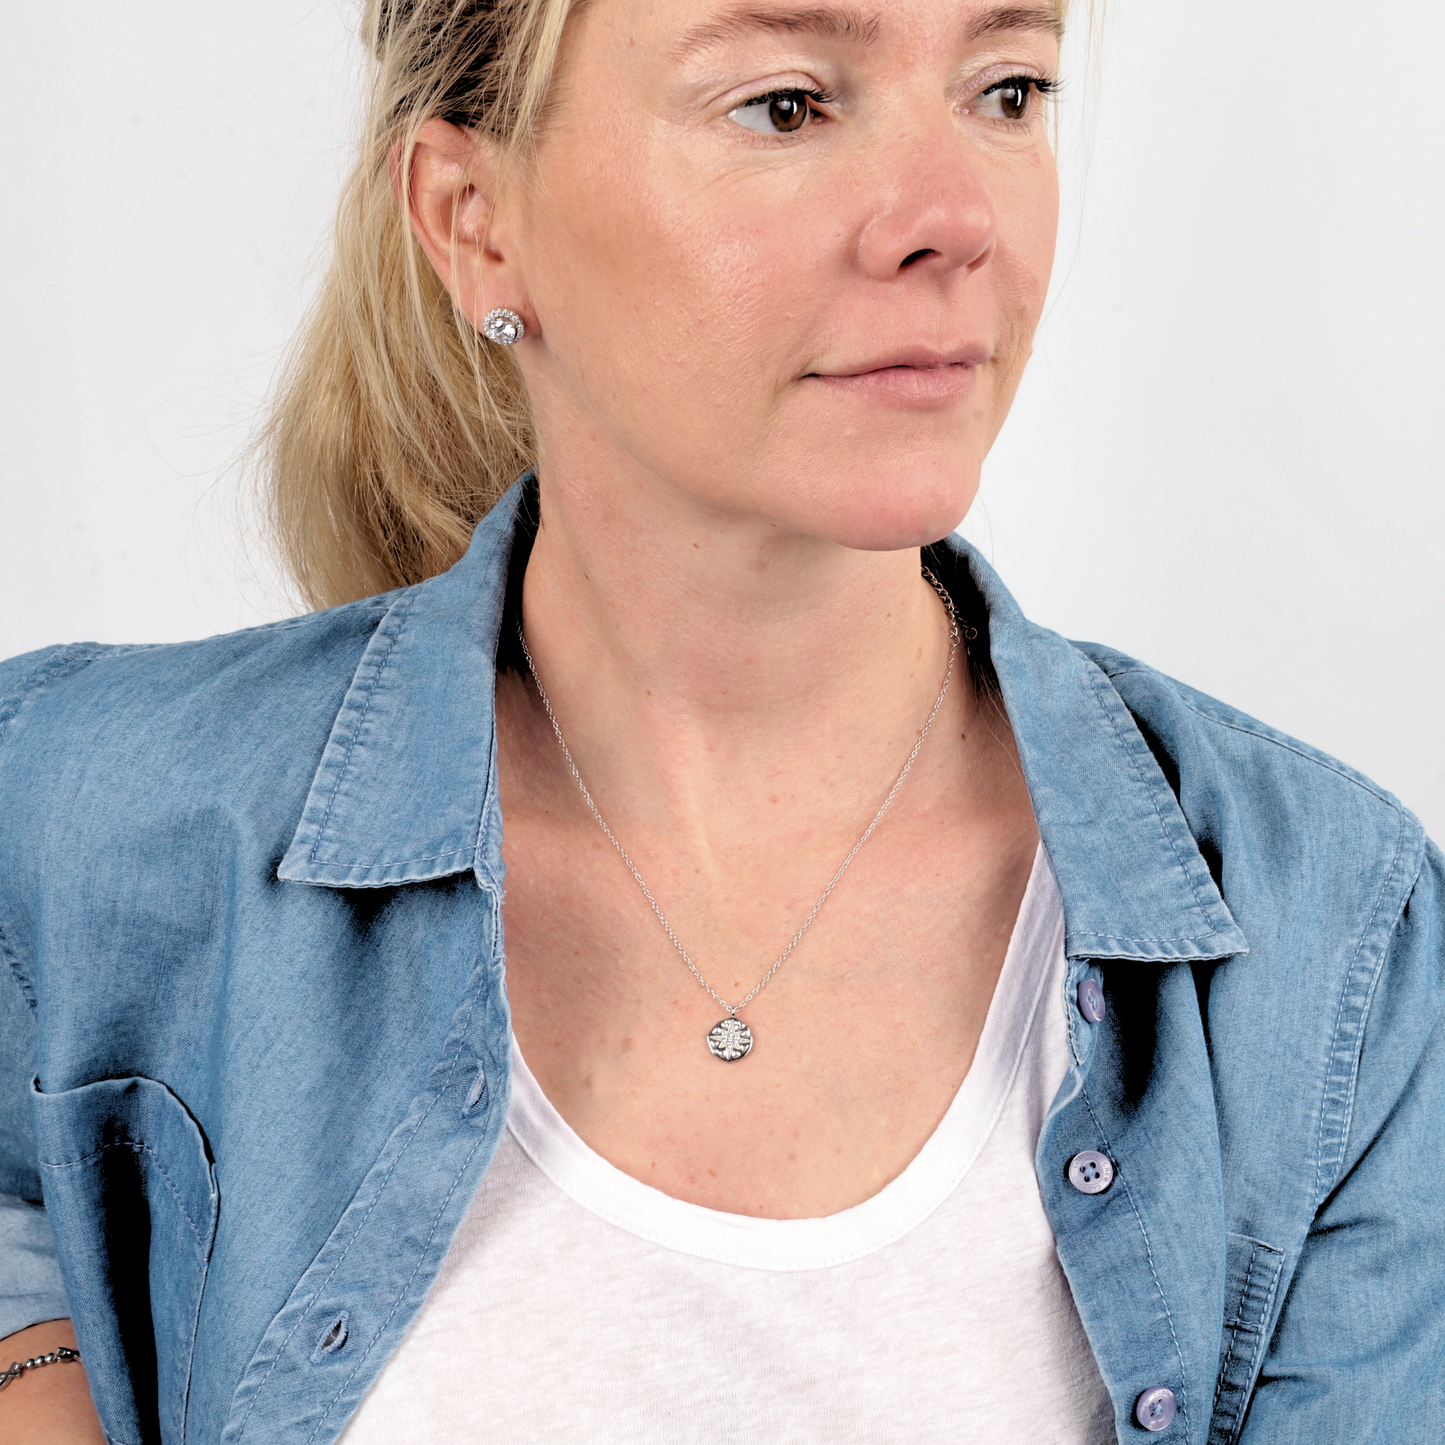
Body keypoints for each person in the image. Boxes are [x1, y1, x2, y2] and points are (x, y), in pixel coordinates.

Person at [2, 0, 1441, 1440]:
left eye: (1007, 90)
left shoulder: (1329, 942)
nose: (953, 217)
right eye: (787, 106)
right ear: (473, 221)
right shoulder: (76, 821)